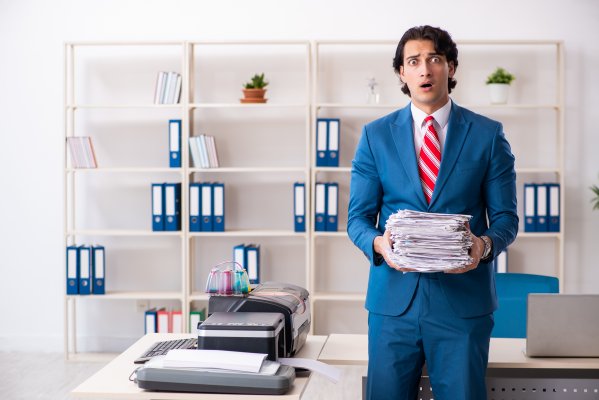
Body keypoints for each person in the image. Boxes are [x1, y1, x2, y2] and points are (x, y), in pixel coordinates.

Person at [347, 25, 518, 400]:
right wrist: (378, 243)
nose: (425, 70)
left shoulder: (487, 135)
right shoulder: (376, 136)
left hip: (462, 304)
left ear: (451, 68)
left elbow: (506, 218)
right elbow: (356, 219)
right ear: (401, 74)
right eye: (414, 61)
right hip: (394, 304)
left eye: (434, 59)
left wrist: (483, 246)